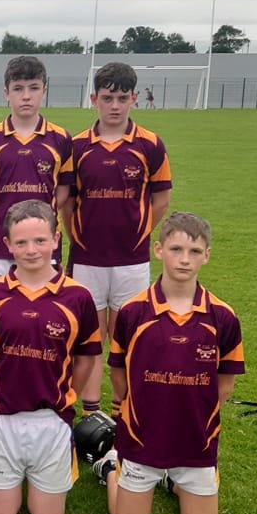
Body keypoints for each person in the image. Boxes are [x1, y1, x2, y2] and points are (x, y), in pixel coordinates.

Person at [91, 212, 244, 514]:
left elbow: (225, 384)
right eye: (176, 249)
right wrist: (134, 409)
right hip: (142, 436)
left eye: (194, 251)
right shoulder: (133, 311)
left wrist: (198, 417)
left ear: (207, 255)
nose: (184, 259)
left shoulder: (223, 316)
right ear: (159, 250)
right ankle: (111, 467)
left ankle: (173, 479)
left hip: (196, 440)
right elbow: (118, 372)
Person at [0, 200, 101, 514]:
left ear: (56, 239)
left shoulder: (78, 296)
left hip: (52, 417)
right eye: (21, 242)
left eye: (40, 240)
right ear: (8, 245)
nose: (31, 250)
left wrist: (67, 394)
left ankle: (108, 467)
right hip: (2, 415)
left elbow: (86, 357)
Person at [60, 61, 172, 418]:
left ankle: (124, 411)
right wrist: (78, 235)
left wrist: (138, 233)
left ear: (134, 99)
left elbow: (161, 200)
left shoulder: (150, 145)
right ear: (94, 99)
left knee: (128, 338)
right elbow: (68, 202)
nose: (114, 106)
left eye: (122, 98)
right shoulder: (76, 146)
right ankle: (91, 415)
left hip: (132, 260)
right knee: (90, 339)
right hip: (87, 259)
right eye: (107, 98)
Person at [0, 56, 73, 285]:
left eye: (34, 88)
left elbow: (63, 189)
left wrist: (42, 214)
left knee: (43, 304)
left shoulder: (61, 138)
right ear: (6, 93)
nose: (26, 96)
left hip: (44, 243)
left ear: (44, 91)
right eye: (18, 89)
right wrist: (2, 215)